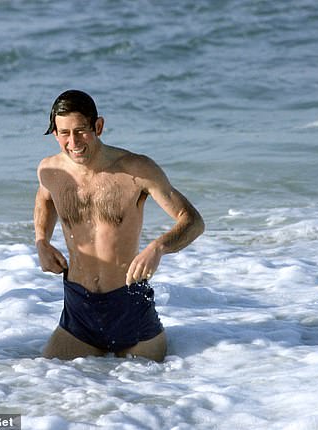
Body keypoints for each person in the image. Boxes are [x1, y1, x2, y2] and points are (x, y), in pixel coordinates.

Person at [34, 90, 204, 362]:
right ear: (55, 133)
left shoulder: (136, 170)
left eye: (81, 131)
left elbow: (193, 221)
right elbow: (45, 199)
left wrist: (159, 247)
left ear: (98, 126)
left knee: (150, 393)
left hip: (129, 307)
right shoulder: (49, 171)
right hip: (78, 309)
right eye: (64, 133)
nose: (73, 142)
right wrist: (41, 241)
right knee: (45, 384)